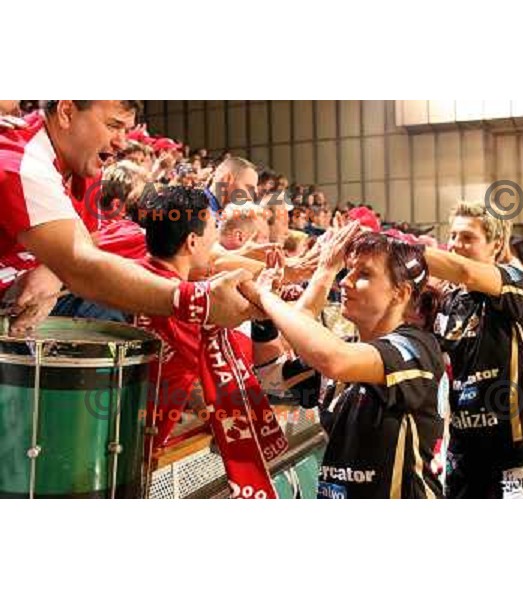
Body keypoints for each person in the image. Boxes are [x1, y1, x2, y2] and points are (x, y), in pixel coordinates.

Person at [0, 100, 253, 333]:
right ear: (67, 112)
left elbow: (88, 242)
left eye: (126, 129)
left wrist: (53, 271)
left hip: (31, 295)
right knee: (109, 305)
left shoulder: (85, 163)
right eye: (113, 126)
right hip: (11, 307)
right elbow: (81, 267)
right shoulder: (24, 162)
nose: (122, 141)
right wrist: (196, 300)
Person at [245, 230, 446, 499]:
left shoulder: (415, 348)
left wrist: (265, 298)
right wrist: (262, 320)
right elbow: (270, 375)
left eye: (364, 274)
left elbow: (334, 360)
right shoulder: (347, 348)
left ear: (401, 293)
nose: (346, 282)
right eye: (347, 271)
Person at [135, 185, 288, 499]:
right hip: (142, 454)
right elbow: (210, 384)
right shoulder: (188, 305)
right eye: (213, 233)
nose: (217, 244)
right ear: (192, 242)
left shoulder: (138, 278)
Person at [425, 201, 523, 499]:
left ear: (496, 245)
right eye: (453, 235)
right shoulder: (449, 301)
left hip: (518, 455)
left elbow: (467, 272)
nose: (456, 245)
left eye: (468, 237)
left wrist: (391, 247)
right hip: (464, 454)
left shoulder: (515, 280)